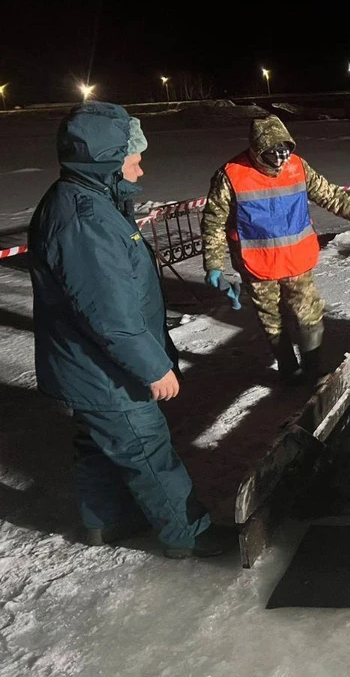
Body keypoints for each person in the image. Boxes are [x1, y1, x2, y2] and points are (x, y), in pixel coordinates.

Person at [27, 101, 227, 559]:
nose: (140, 169)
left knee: (97, 442)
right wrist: (154, 368)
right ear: (107, 161)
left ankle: (105, 522)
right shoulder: (86, 219)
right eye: (133, 159)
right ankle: (189, 537)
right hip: (105, 369)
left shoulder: (87, 200)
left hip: (84, 364)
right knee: (147, 450)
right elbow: (110, 315)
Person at [201, 114, 350, 384]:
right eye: (273, 153)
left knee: (309, 313)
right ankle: (289, 371)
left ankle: (313, 370)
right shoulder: (231, 175)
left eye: (285, 150)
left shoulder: (298, 166)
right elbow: (214, 220)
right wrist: (214, 264)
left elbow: (330, 195)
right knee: (272, 320)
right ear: (258, 151)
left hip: (296, 260)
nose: (281, 159)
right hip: (257, 265)